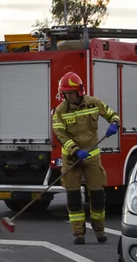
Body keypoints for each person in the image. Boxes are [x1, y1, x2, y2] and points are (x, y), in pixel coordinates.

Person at [51, 71, 120, 245]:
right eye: (65, 93)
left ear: (79, 91)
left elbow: (113, 114)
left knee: (97, 195)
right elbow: (60, 136)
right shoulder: (60, 111)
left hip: (92, 157)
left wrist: (115, 123)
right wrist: (74, 151)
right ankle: (78, 233)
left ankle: (99, 230)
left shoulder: (93, 103)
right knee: (73, 197)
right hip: (72, 159)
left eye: (70, 93)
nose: (68, 96)